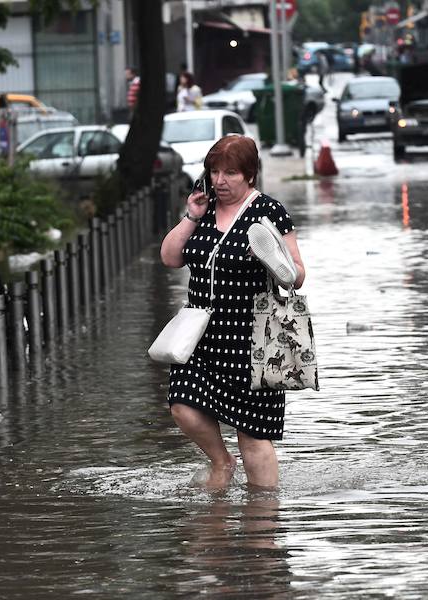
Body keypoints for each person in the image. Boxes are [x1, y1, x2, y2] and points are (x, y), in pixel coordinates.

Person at [159, 135, 306, 490]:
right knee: (182, 405)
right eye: (214, 171)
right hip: (202, 335)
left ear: (250, 175)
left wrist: (277, 263)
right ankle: (221, 462)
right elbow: (170, 257)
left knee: (252, 434)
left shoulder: (269, 212)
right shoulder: (204, 208)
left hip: (252, 338)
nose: (219, 181)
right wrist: (191, 215)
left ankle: (263, 520)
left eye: (230, 173)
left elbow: (297, 276)